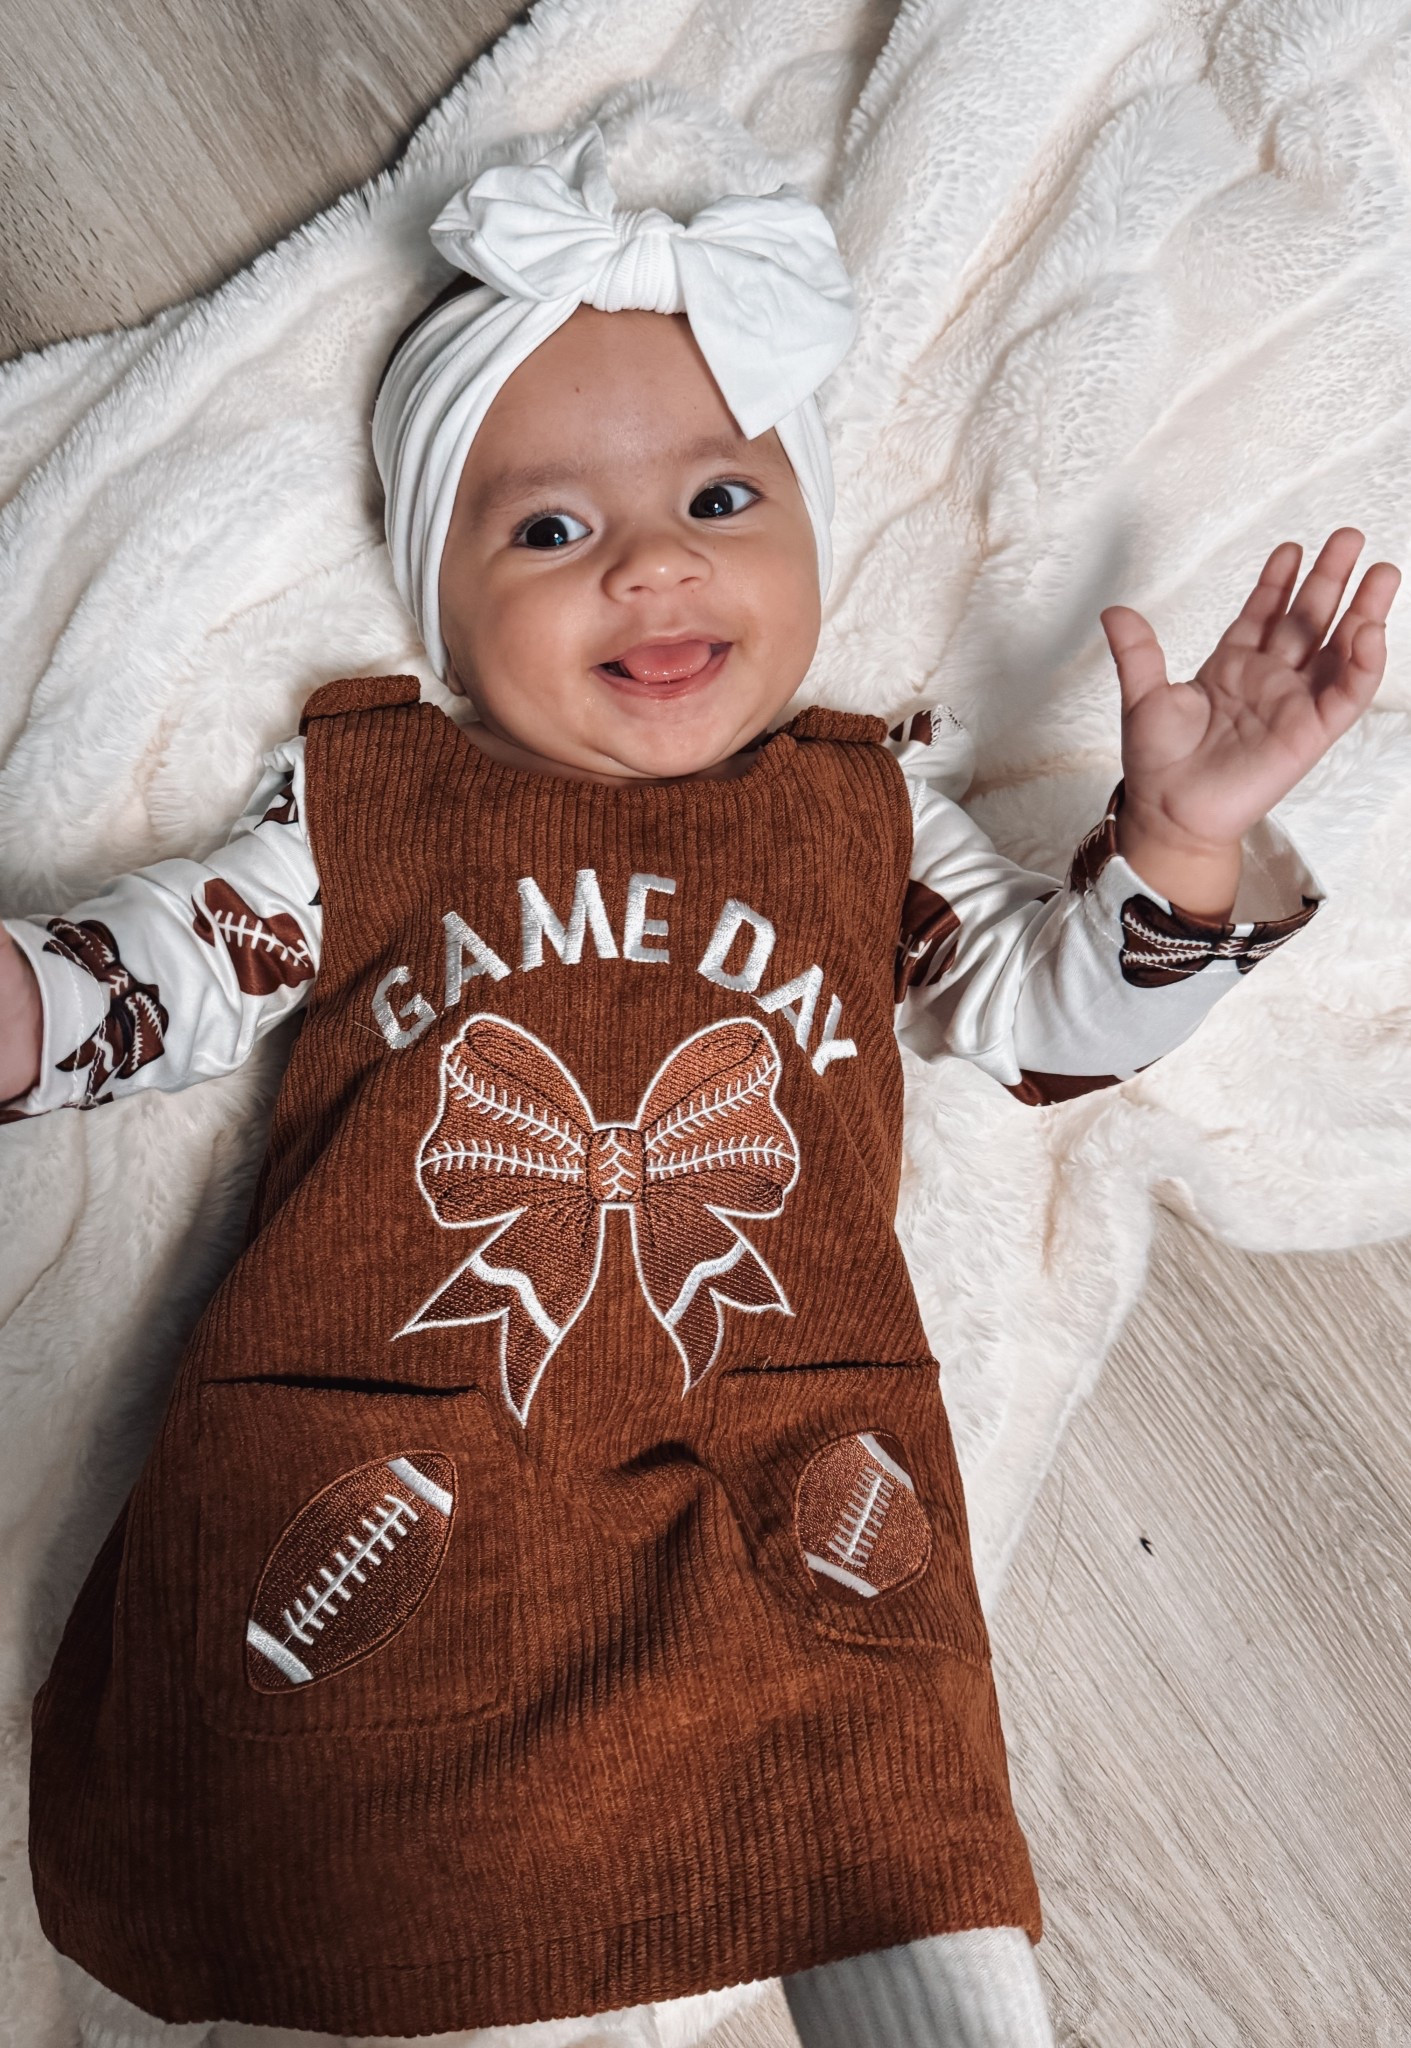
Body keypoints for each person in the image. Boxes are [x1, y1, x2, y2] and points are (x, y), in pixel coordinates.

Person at [1, 119, 1397, 2048]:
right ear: (442, 613)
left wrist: (1179, 841)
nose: (653, 562)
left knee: (900, 1843)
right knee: (343, 1885)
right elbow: (160, 972)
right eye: (548, 532)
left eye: (724, 499)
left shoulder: (861, 811)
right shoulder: (373, 800)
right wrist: (30, 1002)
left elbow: (1051, 1028)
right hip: (411, 1468)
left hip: (784, 1476)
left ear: (813, 540)